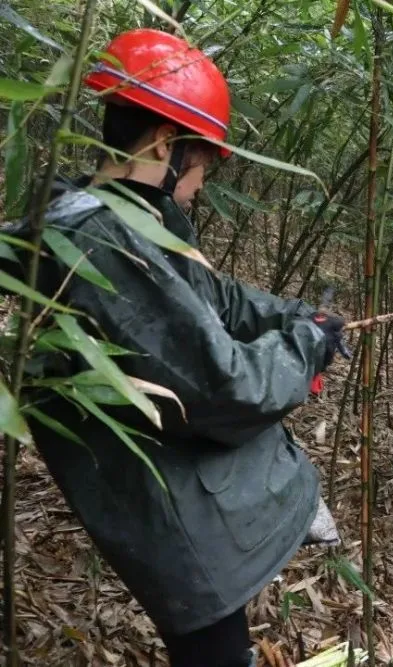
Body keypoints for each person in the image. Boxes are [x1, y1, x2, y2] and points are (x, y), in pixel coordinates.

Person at [2, 30, 348, 667]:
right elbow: (223, 387)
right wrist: (305, 346)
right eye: (204, 162)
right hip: (167, 504)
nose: (205, 180)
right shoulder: (101, 240)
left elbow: (214, 299)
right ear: (165, 143)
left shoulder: (129, 220)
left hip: (177, 499)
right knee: (212, 646)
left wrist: (301, 317)